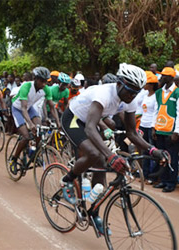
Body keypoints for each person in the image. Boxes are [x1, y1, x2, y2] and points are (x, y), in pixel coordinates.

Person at [60, 63, 168, 235]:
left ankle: (94, 212)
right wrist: (112, 156)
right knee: (95, 153)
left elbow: (132, 133)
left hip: (90, 122)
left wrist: (152, 150)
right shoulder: (104, 93)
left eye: (136, 92)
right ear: (119, 84)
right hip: (74, 119)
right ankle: (67, 180)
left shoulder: (129, 100)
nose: (132, 95)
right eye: (130, 90)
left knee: (101, 163)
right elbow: (89, 128)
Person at [9, 67, 61, 175]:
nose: (44, 83)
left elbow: (52, 107)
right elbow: (23, 108)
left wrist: (58, 122)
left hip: (29, 108)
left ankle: (34, 155)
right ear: (35, 79)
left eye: (46, 81)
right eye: (41, 80)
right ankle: (13, 159)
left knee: (39, 130)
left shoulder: (46, 89)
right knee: (26, 136)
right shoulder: (26, 86)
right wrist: (30, 124)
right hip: (18, 108)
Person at [151, 67, 179, 192]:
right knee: (161, 157)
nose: (161, 78)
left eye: (164, 76)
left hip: (171, 131)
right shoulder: (158, 93)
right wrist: (153, 127)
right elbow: (155, 111)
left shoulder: (177, 93)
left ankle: (171, 182)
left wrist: (176, 131)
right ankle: (163, 180)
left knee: (171, 158)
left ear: (171, 78)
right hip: (160, 129)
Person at [139, 71, 158, 184]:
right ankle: (145, 174)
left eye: (146, 83)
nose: (144, 85)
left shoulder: (156, 96)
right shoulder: (145, 95)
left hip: (151, 126)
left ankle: (153, 176)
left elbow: (156, 111)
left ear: (151, 84)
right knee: (144, 150)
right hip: (143, 125)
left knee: (152, 151)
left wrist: (153, 127)